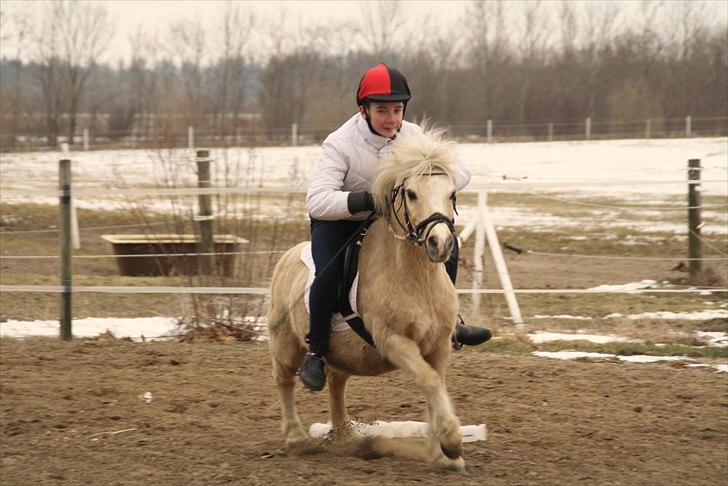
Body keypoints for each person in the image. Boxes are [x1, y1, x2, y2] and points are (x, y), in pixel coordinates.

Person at [300, 63, 492, 391]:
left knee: (448, 243)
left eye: (398, 110)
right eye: (382, 111)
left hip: (390, 221)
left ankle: (451, 324)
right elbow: (317, 200)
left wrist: (438, 182)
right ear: (364, 110)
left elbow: (461, 171)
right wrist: (364, 201)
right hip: (339, 221)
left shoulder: (413, 135)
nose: (392, 119)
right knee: (328, 272)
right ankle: (316, 350)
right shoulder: (339, 143)